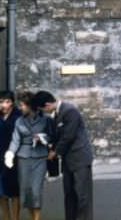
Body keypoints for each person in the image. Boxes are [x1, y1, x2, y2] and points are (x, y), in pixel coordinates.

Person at [34, 91, 93, 220]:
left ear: (48, 104)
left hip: (80, 158)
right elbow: (57, 136)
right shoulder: (55, 115)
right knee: (69, 194)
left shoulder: (70, 111)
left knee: (82, 195)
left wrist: (55, 152)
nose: (44, 113)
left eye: (42, 109)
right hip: (67, 160)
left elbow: (68, 136)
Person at [5, 92, 54, 220]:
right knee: (25, 191)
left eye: (22, 105)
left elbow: (52, 136)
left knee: (36, 191)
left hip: (40, 158)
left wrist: (42, 137)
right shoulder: (19, 121)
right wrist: (10, 153)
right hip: (23, 158)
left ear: (29, 105)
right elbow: (15, 140)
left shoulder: (46, 119)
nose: (20, 108)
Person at [0, 91, 21, 220]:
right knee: (0, 188)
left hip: (16, 155)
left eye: (7, 102)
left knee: (14, 189)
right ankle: (6, 217)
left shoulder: (19, 115)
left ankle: (15, 218)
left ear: (12, 102)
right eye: (1, 102)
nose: (3, 105)